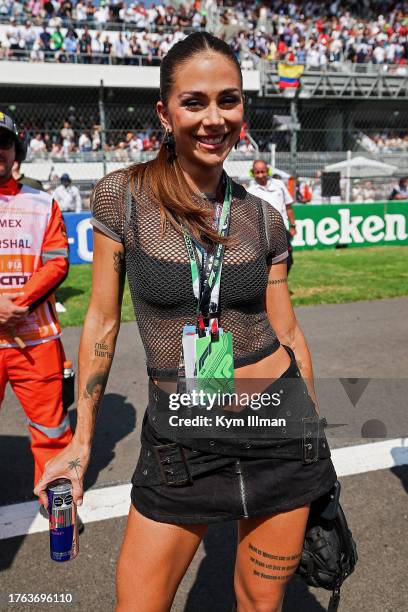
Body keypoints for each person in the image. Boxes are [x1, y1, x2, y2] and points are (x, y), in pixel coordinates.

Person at [34, 33, 336, 612]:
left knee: (260, 604)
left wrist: (315, 434)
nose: (215, 118)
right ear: (164, 112)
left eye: (230, 100)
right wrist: (82, 440)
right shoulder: (122, 197)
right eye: (195, 102)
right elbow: (101, 319)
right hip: (180, 439)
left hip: (280, 429)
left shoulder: (266, 218)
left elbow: (289, 331)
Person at [0, 112, 74, 499]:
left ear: (16, 151)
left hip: (36, 340)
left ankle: (57, 499)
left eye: (3, 142)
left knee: (52, 429)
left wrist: (18, 305)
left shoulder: (43, 203)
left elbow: (57, 261)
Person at [247, 160, 297, 275]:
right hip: (261, 233)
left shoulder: (279, 185)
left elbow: (288, 206)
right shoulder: (250, 191)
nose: (260, 175)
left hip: (281, 230)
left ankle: (281, 286)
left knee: (288, 261)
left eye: (262, 172)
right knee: (264, 263)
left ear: (268, 171)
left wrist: (293, 225)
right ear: (252, 173)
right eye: (257, 172)